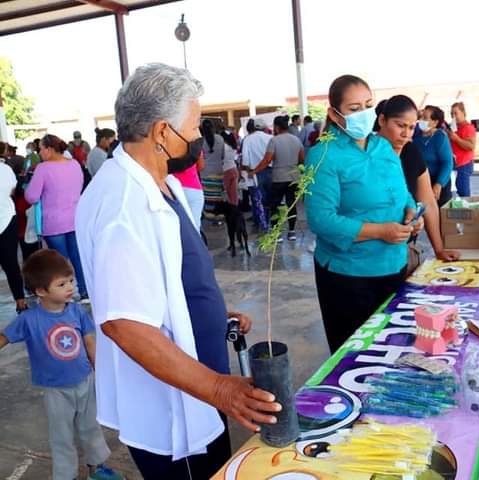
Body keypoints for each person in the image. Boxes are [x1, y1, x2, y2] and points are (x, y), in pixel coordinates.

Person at [75, 63, 281, 479]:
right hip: (174, 405)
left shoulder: (156, 183)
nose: (197, 139)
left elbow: (161, 278)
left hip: (199, 381)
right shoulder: (123, 205)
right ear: (162, 132)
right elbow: (124, 323)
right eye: (192, 128)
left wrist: (207, 315)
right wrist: (222, 389)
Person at [305, 74, 422, 353]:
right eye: (354, 109)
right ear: (335, 114)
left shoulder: (382, 145)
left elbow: (401, 189)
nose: (364, 114)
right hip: (350, 277)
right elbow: (322, 220)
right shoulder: (323, 155)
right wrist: (381, 231)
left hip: (393, 266)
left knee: (391, 350)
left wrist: (409, 211)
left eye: (368, 105)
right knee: (356, 354)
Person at [0, 250, 122, 480]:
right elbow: (4, 337)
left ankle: (97, 469)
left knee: (91, 429)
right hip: (55, 389)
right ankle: (65, 476)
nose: (70, 287)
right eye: (62, 284)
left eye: (71, 281)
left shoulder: (76, 311)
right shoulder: (28, 319)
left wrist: (99, 369)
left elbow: (89, 341)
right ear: (41, 291)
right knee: (61, 435)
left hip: (85, 381)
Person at [374, 96, 460, 263]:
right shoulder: (367, 153)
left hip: (401, 252)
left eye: (411, 127)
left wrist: (439, 249)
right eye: (400, 126)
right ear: (382, 120)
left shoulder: (411, 152)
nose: (406, 134)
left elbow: (427, 201)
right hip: (364, 255)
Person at [25, 134, 88, 302]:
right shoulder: (74, 164)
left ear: (49, 149)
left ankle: (65, 293)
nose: (40, 152)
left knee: (59, 261)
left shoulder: (43, 168)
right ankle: (84, 291)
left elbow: (31, 196)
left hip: (54, 222)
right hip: (75, 218)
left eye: (41, 149)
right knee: (77, 256)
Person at [252, 115, 304, 242]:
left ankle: (277, 234)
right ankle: (292, 232)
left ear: (276, 127)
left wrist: (254, 171)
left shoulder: (274, 141)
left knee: (275, 205)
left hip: (278, 178)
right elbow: (302, 159)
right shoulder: (296, 140)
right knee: (291, 204)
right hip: (293, 177)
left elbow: (267, 160)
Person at [412, 105, 454, 207]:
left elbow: (447, 163)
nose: (421, 120)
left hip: (438, 181)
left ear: (435, 122)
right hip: (421, 181)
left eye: (425, 118)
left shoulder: (440, 137)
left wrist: (438, 184)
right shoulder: (416, 135)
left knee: (438, 213)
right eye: (421, 117)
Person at [0, 160, 26, 312]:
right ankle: (20, 302)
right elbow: (12, 190)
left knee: (11, 264)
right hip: (6, 219)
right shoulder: (5, 169)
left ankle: (20, 301)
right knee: (11, 264)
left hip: (6, 219)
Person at [241, 117, 273, 229]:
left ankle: (260, 222)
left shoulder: (248, 139)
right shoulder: (270, 137)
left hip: (254, 173)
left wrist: (246, 170)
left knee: (257, 199)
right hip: (270, 171)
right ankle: (271, 222)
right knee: (270, 198)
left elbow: (245, 159)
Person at [447, 102, 477, 197]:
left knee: (463, 190)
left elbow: (470, 146)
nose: (453, 116)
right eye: (452, 114)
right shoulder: (453, 127)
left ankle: (467, 209)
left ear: (463, 113)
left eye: (456, 113)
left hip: (464, 163)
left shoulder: (468, 128)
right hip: (455, 162)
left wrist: (456, 139)